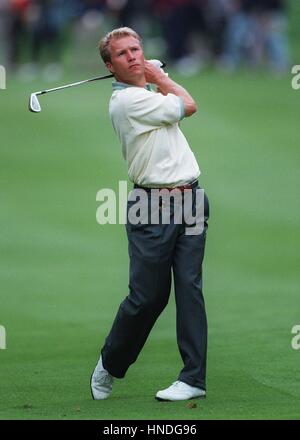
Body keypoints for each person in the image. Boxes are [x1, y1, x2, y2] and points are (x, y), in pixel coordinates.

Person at [91, 27, 210, 401]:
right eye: (123, 54)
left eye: (136, 49)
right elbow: (188, 105)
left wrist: (154, 79)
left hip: (191, 197)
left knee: (189, 288)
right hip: (152, 206)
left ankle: (193, 378)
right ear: (111, 67)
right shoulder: (128, 102)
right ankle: (110, 363)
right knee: (148, 298)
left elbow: (170, 100)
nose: (132, 56)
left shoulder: (143, 92)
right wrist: (160, 76)